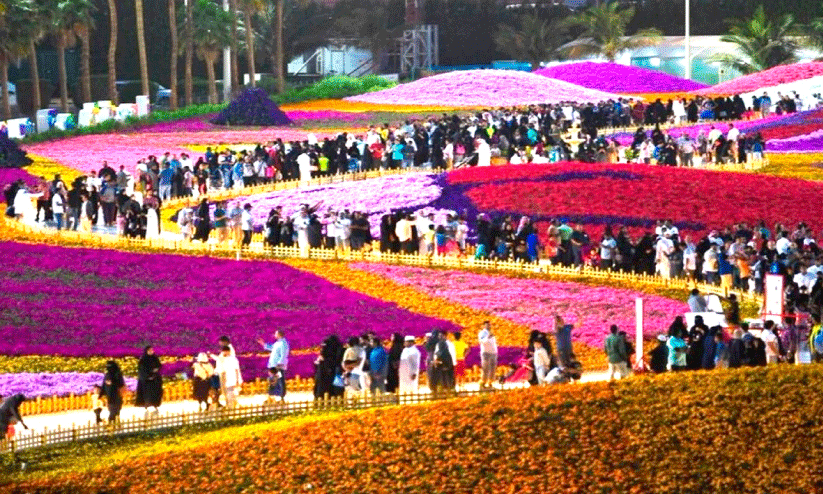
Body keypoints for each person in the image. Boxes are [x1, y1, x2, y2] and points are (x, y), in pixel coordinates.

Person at [258, 330, 289, 402]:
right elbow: (271, 348)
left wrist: (279, 364)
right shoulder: (278, 343)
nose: (274, 335)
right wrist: (263, 344)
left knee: (279, 381)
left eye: (275, 334)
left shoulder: (283, 344)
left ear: (279, 334)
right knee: (273, 381)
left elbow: (284, 355)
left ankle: (281, 397)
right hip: (274, 366)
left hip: (278, 367)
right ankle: (271, 396)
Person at [135, 345, 163, 416]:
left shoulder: (155, 358)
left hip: (155, 380)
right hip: (147, 381)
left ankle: (155, 405)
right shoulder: (143, 359)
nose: (151, 352)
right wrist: (148, 375)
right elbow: (142, 370)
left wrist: (156, 371)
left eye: (152, 350)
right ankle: (148, 405)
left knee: (156, 393)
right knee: (148, 394)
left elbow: (159, 366)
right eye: (149, 350)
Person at [478, 321, 498, 388]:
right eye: (487, 325)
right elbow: (483, 341)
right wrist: (488, 337)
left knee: (492, 368)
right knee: (485, 368)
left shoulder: (491, 333)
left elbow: (493, 343)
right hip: (486, 353)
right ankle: (483, 383)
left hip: (493, 353)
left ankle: (490, 382)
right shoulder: (482, 333)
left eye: (489, 325)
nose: (489, 326)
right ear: (484, 326)